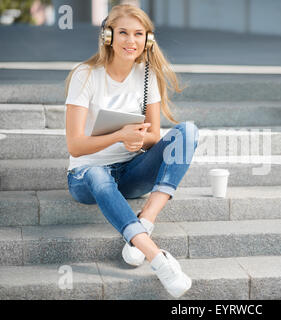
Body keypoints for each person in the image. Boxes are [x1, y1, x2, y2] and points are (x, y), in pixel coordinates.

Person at [64, 4, 198, 298]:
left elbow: (154, 136)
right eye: (123, 32)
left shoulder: (147, 75)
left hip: (130, 171)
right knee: (99, 173)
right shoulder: (85, 75)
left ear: (148, 40)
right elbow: (74, 144)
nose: (131, 41)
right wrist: (118, 136)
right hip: (86, 176)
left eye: (139, 34)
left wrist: (138, 141)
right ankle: (158, 259)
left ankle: (145, 222)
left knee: (187, 132)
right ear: (108, 36)